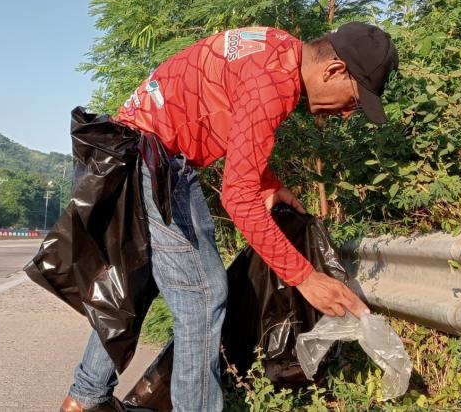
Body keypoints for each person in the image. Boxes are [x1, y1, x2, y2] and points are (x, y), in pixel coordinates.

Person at [60, 22, 399, 412]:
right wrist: (305, 278)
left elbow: (242, 129)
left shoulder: (279, 48)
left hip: (126, 149)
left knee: (133, 282)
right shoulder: (276, 83)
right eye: (354, 100)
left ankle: (85, 398)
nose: (346, 114)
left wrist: (268, 182)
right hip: (155, 162)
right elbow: (238, 197)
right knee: (204, 299)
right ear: (334, 71)